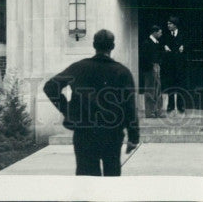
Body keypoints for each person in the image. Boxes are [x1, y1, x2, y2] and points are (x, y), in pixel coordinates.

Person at [43, 28, 140, 176]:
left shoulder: (78, 67)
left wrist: (67, 110)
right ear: (112, 47)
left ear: (94, 45)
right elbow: (130, 107)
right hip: (112, 133)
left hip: (84, 133)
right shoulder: (122, 72)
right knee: (112, 179)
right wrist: (133, 137)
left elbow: (50, 87)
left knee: (86, 181)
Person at [162, 15, 187, 113]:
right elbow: (161, 45)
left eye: (170, 24)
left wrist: (183, 47)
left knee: (180, 85)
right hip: (170, 65)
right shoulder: (166, 35)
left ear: (175, 25)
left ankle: (181, 106)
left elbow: (188, 44)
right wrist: (164, 47)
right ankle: (170, 106)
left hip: (180, 65)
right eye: (168, 24)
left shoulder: (183, 34)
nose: (168, 25)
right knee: (170, 85)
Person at [141, 24, 165, 118]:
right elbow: (144, 58)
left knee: (158, 89)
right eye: (159, 32)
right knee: (150, 89)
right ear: (155, 32)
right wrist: (151, 66)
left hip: (156, 67)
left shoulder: (156, 43)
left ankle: (158, 111)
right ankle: (150, 112)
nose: (161, 34)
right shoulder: (146, 43)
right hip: (150, 68)